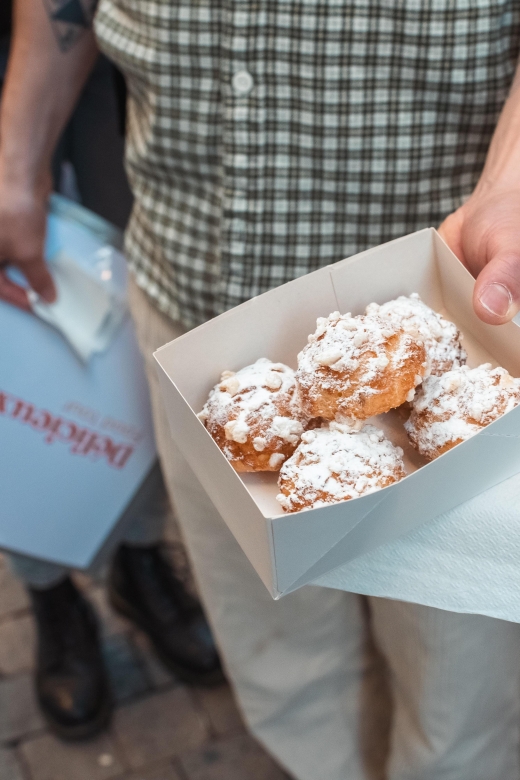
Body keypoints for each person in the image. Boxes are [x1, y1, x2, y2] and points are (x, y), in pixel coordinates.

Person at [1, 0, 520, 777]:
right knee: (277, 651)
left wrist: (512, 182)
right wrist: (17, 157)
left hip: (446, 310)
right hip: (190, 305)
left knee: (455, 684)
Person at [0, 21, 222, 741]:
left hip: (106, 66)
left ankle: (140, 556)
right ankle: (49, 586)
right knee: (13, 379)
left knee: (138, 341)